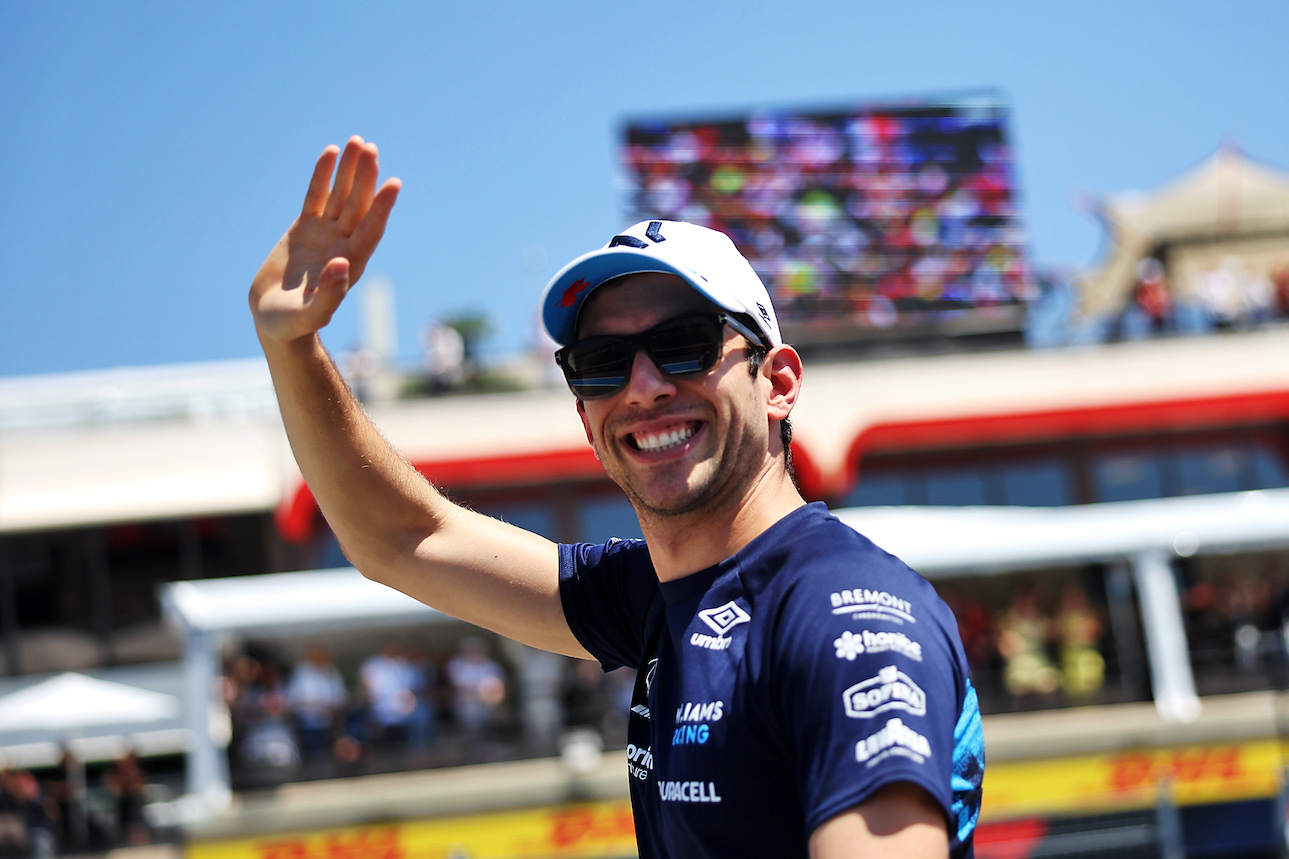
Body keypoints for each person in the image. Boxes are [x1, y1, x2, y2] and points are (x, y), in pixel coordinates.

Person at [249, 136, 983, 858]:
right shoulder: (654, 596)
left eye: (686, 343)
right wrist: (292, 346)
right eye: (602, 363)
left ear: (779, 384)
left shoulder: (836, 608)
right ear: (584, 416)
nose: (644, 386)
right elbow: (402, 539)